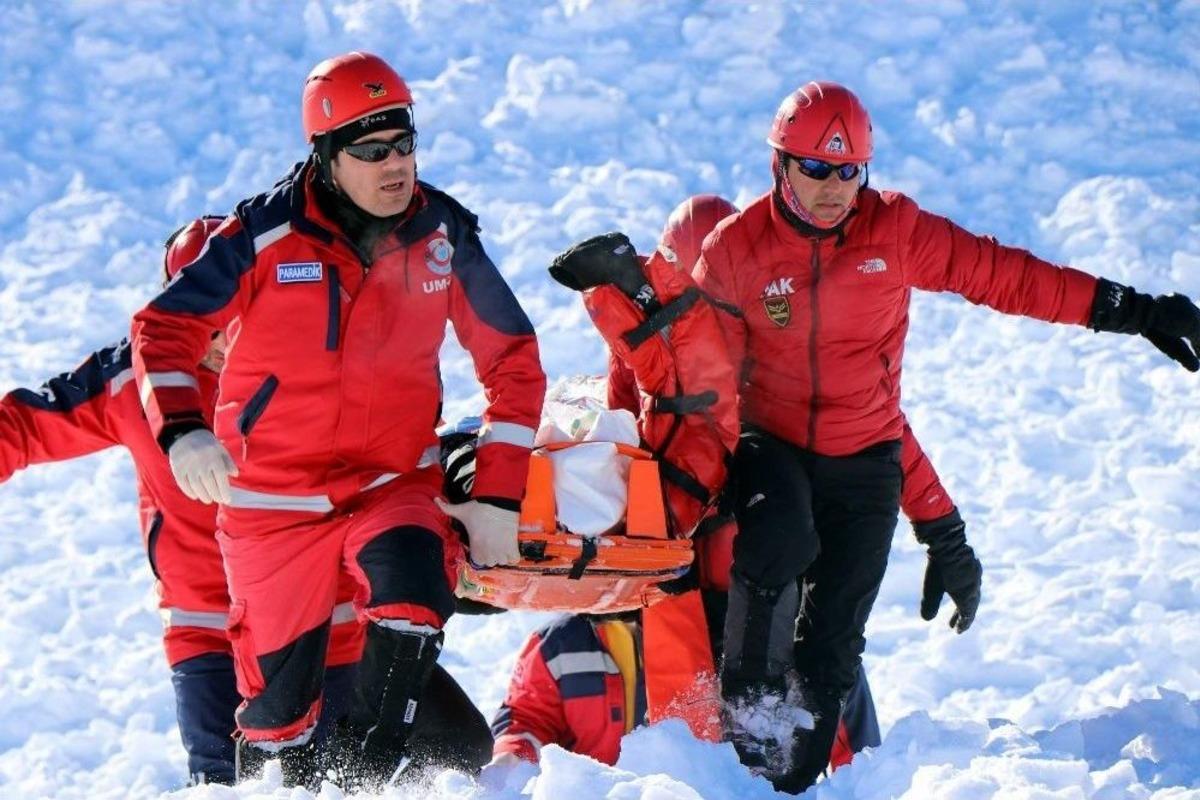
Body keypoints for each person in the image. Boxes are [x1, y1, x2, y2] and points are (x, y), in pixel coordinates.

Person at [682, 81, 1200, 792]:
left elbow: (1007, 275)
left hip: (865, 465)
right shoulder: (735, 250)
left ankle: (789, 781)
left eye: (849, 172)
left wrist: (1134, 311)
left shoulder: (893, 231)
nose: (835, 189)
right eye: (816, 169)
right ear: (779, 165)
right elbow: (694, 382)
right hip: (770, 448)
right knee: (782, 538)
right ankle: (745, 727)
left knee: (834, 649)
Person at [129, 51, 545, 789]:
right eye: (373, 151)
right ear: (325, 155)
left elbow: (512, 359)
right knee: (278, 713)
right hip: (271, 507)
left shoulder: (441, 234)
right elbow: (162, 329)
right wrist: (182, 429)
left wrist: (498, 494)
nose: (397, 166)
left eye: (406, 145)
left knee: (413, 595)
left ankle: (375, 777)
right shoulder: (262, 235)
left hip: (390, 484)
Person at [0, 218, 363, 785]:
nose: (225, 338)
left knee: (344, 784)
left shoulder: (313, 357)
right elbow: (23, 427)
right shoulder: (130, 380)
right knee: (222, 786)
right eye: (208, 324)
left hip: (319, 624)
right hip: (204, 630)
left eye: (236, 315)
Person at [488, 611, 878, 771]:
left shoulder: (767, 641)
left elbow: (859, 763)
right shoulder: (563, 644)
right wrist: (511, 763)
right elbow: (525, 721)